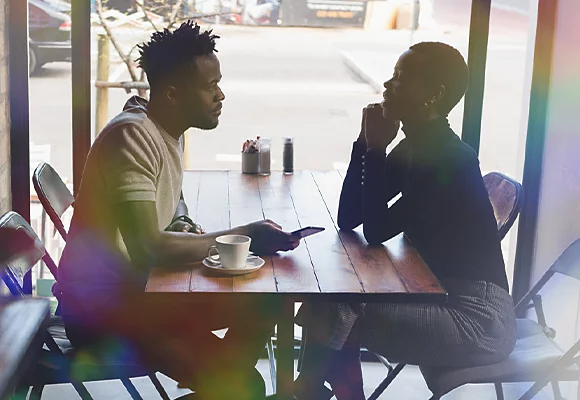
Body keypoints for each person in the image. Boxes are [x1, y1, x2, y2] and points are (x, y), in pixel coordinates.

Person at [55, 21, 300, 400]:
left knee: (264, 308)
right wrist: (245, 235)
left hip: (141, 295)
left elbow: (170, 208)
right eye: (209, 86)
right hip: (101, 312)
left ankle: (221, 378)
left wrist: (185, 223)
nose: (221, 95)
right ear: (171, 94)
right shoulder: (133, 137)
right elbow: (148, 247)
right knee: (244, 385)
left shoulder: (161, 128)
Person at [294, 42, 517, 400]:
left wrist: (377, 149)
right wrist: (365, 143)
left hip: (476, 321)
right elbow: (350, 216)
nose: (387, 85)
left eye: (401, 77)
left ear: (433, 94)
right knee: (334, 301)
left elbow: (377, 230)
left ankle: (308, 390)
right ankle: (313, 390)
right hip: (434, 296)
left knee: (337, 305)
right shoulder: (415, 146)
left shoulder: (449, 161)